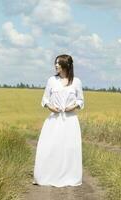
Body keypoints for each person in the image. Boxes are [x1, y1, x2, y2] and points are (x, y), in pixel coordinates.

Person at [33, 54, 84, 187]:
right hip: (54, 120)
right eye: (55, 63)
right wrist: (51, 107)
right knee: (49, 147)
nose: (56, 65)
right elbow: (44, 99)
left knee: (69, 148)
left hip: (70, 120)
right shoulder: (51, 80)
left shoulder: (76, 82)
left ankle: (69, 176)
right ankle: (48, 175)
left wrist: (72, 106)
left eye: (58, 63)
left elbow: (80, 100)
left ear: (66, 65)